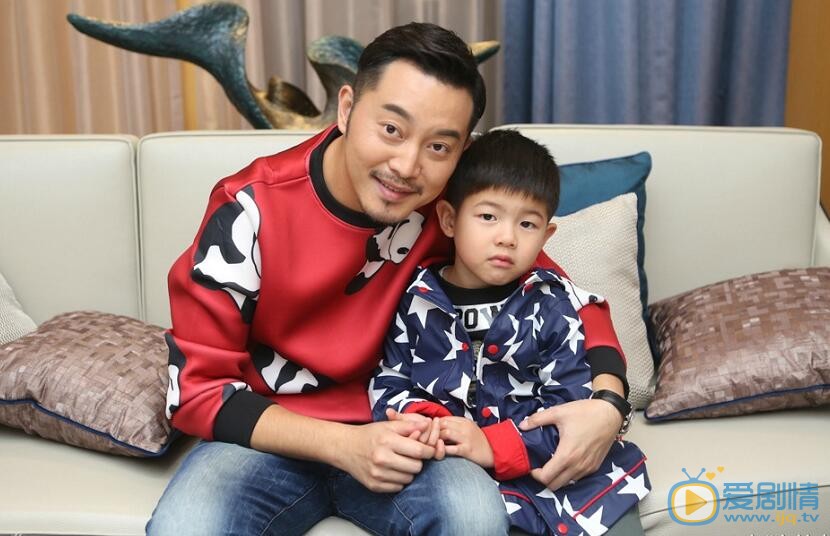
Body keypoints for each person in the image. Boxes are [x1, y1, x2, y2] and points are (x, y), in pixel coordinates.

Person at [148, 22, 631, 536]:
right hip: (272, 434)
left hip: (412, 435)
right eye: (392, 130)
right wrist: (343, 445)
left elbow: (566, 297)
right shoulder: (250, 208)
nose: (406, 166)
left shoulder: (447, 207)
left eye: (439, 147)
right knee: (186, 527)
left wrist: (608, 403)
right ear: (347, 108)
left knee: (473, 516)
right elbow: (196, 389)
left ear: (461, 151)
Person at [369, 130, 649, 536]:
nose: (507, 237)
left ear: (546, 236)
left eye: (528, 223)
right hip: (467, 484)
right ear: (449, 220)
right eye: (488, 217)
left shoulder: (551, 305)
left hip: (574, 487)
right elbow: (390, 379)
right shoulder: (416, 299)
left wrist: (492, 445)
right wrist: (426, 423)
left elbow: (573, 408)